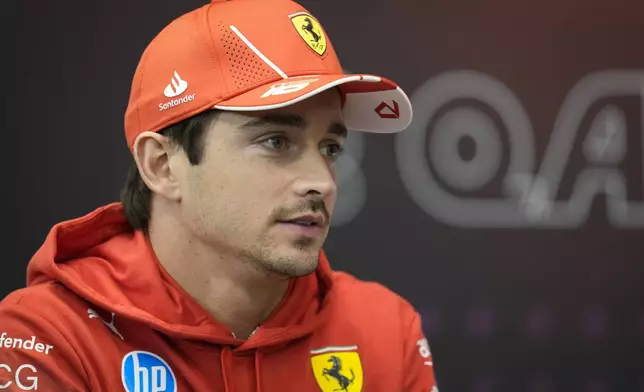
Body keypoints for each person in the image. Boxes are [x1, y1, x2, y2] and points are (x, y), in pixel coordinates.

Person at [0, 0, 439, 391]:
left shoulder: (385, 329)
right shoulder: (49, 336)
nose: (321, 181)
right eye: (275, 142)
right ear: (162, 165)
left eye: (330, 148)